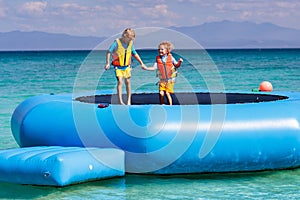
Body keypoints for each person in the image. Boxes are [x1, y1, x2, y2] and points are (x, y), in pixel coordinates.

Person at [104, 28, 146, 105]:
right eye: (129, 39)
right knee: (120, 81)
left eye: (131, 39)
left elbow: (134, 53)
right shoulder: (117, 42)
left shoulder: (131, 43)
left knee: (128, 82)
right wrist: (107, 63)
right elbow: (109, 52)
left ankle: (129, 100)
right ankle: (121, 101)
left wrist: (141, 63)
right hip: (118, 67)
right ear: (125, 36)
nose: (130, 40)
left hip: (127, 66)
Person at [143, 41, 183, 105]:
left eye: (162, 49)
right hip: (162, 80)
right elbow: (154, 67)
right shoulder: (158, 59)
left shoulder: (171, 58)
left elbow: (176, 65)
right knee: (161, 93)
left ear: (167, 51)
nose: (160, 50)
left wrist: (180, 62)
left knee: (167, 93)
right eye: (159, 49)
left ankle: (170, 106)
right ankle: (162, 105)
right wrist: (146, 68)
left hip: (170, 80)